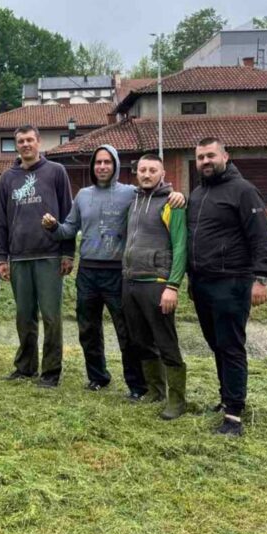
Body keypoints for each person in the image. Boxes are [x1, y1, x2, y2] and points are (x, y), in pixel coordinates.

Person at [41, 145, 184, 398]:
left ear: (116, 165)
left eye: (108, 162)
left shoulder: (130, 193)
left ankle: (137, 385)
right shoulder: (83, 195)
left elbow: (155, 188)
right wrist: (54, 227)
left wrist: (178, 195)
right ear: (92, 166)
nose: (103, 167)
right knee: (88, 329)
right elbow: (68, 230)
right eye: (98, 163)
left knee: (127, 332)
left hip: (118, 272)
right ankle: (98, 377)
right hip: (88, 272)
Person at [188, 137, 267, 436]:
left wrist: (261, 278)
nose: (205, 162)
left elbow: (262, 237)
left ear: (226, 155)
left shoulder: (244, 191)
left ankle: (234, 417)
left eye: (210, 155)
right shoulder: (198, 194)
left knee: (231, 347)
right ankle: (227, 398)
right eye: (200, 158)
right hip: (201, 284)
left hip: (232, 282)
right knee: (216, 345)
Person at [0, 125, 74, 388]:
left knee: (51, 316)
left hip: (49, 255)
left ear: (39, 142)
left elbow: (68, 215)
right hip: (18, 257)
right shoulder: (7, 177)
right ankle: (25, 367)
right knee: (24, 316)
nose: (26, 144)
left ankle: (51, 372)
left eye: (30, 140)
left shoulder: (56, 172)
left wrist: (67, 253)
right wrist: (1, 258)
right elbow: (1, 221)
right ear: (16, 145)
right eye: (20, 141)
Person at [121, 154, 187, 420]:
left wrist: (173, 286)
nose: (146, 174)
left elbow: (181, 246)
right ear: (136, 173)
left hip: (158, 284)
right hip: (131, 281)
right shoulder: (133, 200)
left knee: (166, 342)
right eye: (142, 170)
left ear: (162, 173)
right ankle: (155, 391)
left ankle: (177, 400)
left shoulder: (173, 203)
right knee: (141, 341)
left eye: (152, 170)